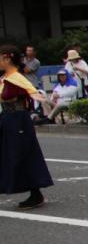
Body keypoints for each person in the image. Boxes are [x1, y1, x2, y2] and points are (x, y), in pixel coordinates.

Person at [0, 43, 53, 209]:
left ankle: (36, 193)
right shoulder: (5, 78)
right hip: (8, 119)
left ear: (7, 58)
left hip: (18, 120)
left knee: (22, 155)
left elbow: (35, 95)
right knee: (8, 155)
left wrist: (45, 105)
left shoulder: (17, 78)